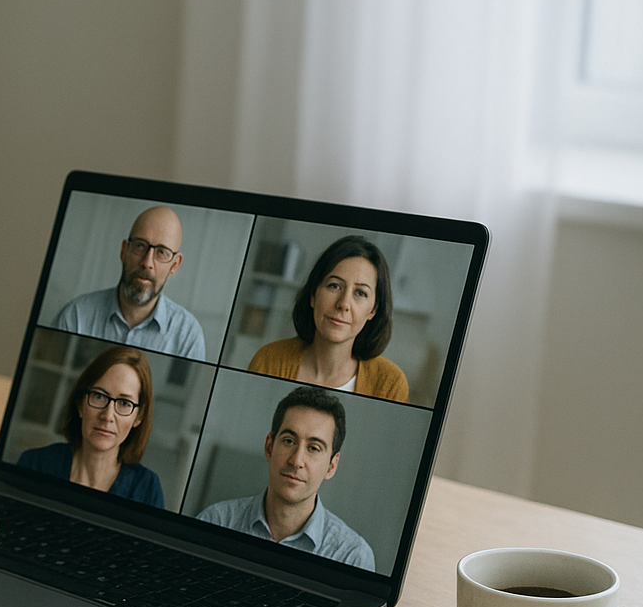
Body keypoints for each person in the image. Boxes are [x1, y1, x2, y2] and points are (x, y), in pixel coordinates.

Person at [196, 386, 374, 570]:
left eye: (313, 448)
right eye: (289, 441)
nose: (296, 461)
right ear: (269, 446)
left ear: (332, 465)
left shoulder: (352, 556)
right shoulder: (215, 521)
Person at [247, 235, 409, 402]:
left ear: (373, 311)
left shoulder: (390, 383)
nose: (343, 303)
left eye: (360, 293)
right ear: (313, 295)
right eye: (334, 286)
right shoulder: (269, 360)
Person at [17, 346, 165, 508]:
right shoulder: (35, 463)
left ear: (138, 417)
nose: (107, 416)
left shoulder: (147, 488)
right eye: (99, 396)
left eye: (124, 403)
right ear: (80, 404)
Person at [53, 206, 207, 360]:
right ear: (124, 251)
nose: (147, 263)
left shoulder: (188, 336)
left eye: (161, 252)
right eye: (140, 245)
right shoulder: (75, 315)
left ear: (174, 265)